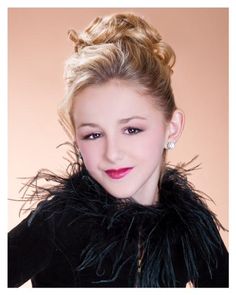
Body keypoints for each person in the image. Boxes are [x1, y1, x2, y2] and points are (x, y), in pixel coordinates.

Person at [8, 12, 228, 288]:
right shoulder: (57, 223)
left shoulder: (192, 228)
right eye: (93, 134)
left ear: (171, 128)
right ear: (76, 138)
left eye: (132, 130)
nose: (112, 153)